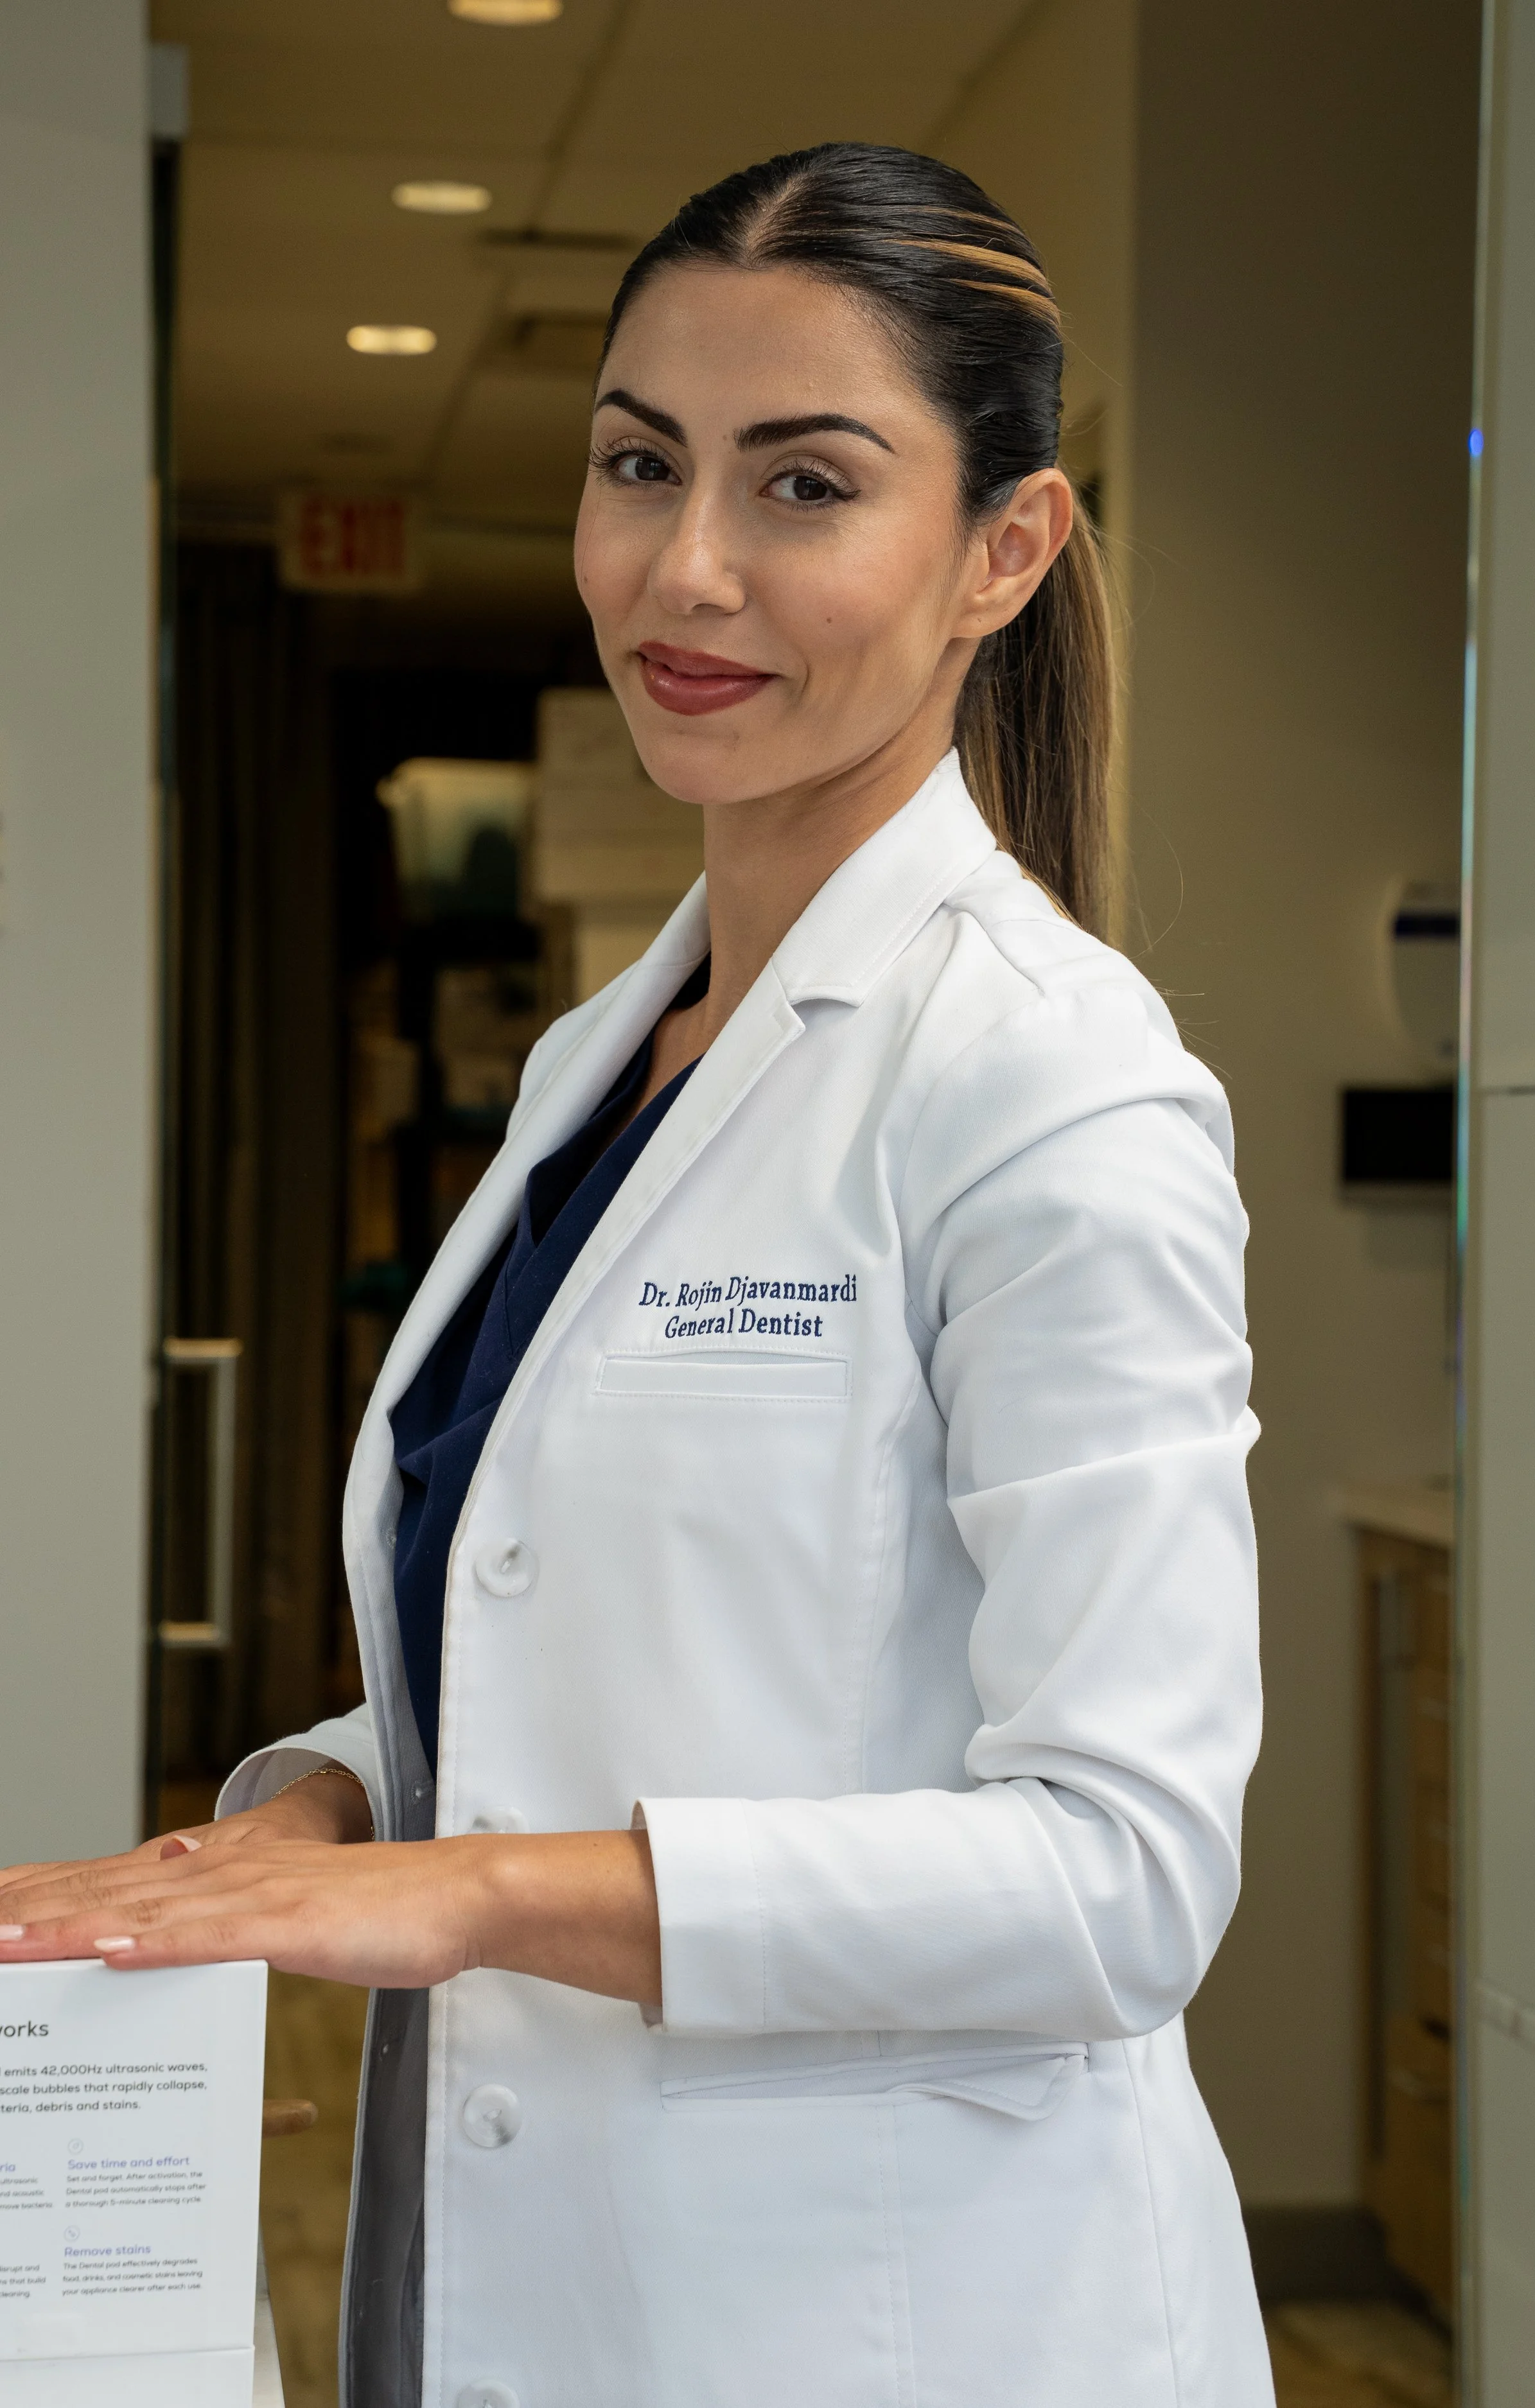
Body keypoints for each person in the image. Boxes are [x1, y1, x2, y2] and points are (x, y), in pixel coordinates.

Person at [0, 143, 1272, 2408]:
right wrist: (316, 1811)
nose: (683, 569)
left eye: (804, 482)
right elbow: (592, 1655)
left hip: (886, 2322)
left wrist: (468, 1894)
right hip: (524, 2266)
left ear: (1006, 548)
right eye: (635, 465)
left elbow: (1118, 1872)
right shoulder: (618, 1054)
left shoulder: (1052, 1082)